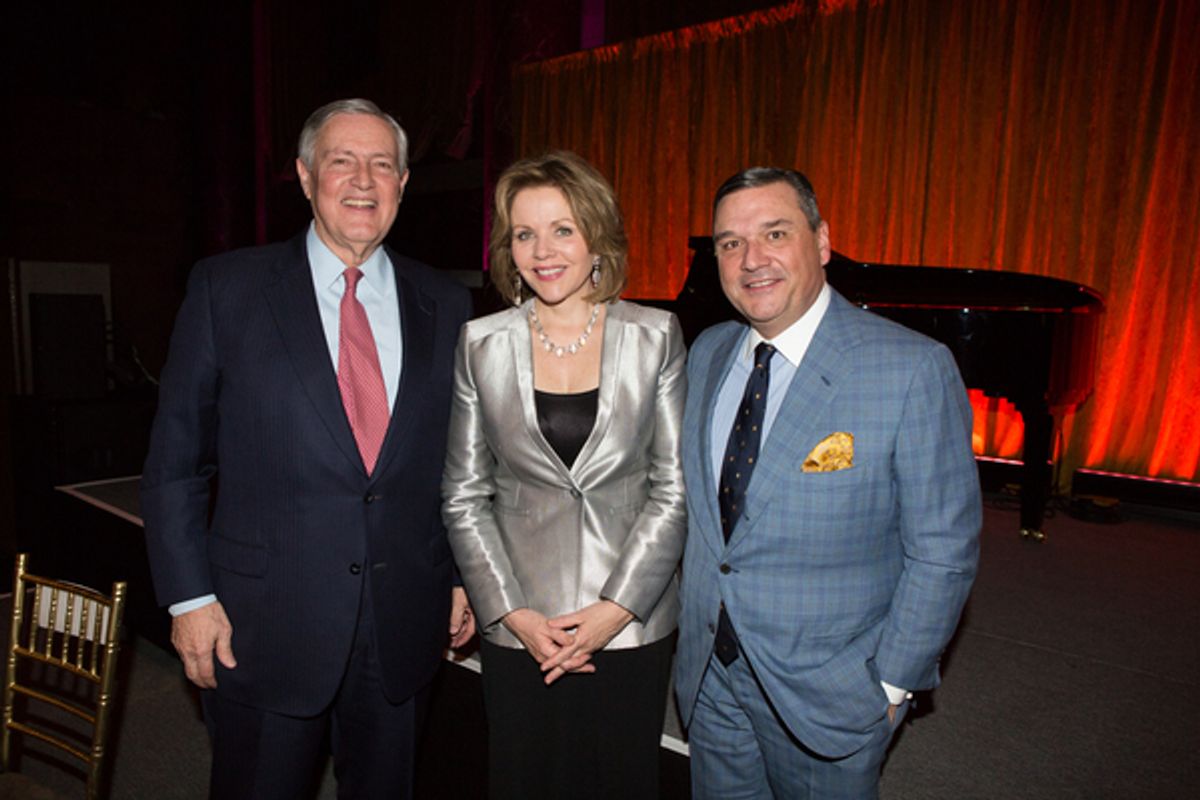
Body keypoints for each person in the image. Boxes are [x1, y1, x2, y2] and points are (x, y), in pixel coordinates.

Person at [140, 98, 474, 799]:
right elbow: (176, 463)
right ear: (303, 174)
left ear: (404, 183)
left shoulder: (446, 303)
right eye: (341, 160)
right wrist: (188, 599)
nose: (362, 179)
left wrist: (455, 576)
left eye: (382, 164)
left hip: (403, 625)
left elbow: (455, 462)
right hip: (260, 628)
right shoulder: (225, 289)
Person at [674, 167, 982, 799]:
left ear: (821, 242)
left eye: (775, 233)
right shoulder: (706, 351)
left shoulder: (912, 368)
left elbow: (943, 552)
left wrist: (891, 685)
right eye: (729, 243)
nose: (750, 259)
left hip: (832, 695)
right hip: (710, 679)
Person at [442, 151, 686, 800]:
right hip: (519, 622)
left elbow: (674, 488)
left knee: (621, 782)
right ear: (508, 247)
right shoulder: (480, 343)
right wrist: (512, 612)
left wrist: (616, 609)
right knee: (523, 780)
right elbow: (465, 494)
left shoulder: (657, 335)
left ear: (596, 238)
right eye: (525, 233)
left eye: (563, 230)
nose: (542, 250)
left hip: (630, 623)